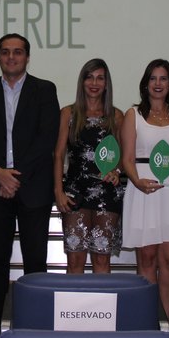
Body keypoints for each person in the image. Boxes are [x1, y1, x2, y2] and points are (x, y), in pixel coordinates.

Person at [0, 34, 60, 338]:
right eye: (6, 52)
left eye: (18, 52)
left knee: (35, 262)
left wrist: (14, 176)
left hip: (33, 189)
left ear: (27, 57)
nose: (11, 57)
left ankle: (34, 329)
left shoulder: (45, 90)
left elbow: (46, 139)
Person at [121, 59, 169, 319]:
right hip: (143, 191)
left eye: (163, 79)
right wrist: (138, 181)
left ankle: (165, 323)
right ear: (145, 83)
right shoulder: (134, 115)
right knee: (148, 259)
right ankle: (148, 321)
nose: (158, 83)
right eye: (153, 78)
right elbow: (127, 159)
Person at [53, 58, 124, 273]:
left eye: (100, 78)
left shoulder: (116, 116)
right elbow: (58, 155)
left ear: (106, 83)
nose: (94, 83)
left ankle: (102, 307)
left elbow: (123, 155)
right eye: (90, 77)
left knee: (102, 261)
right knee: (75, 260)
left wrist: (117, 170)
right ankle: (74, 307)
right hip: (75, 193)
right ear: (82, 81)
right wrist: (58, 192)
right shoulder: (68, 113)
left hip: (107, 194)